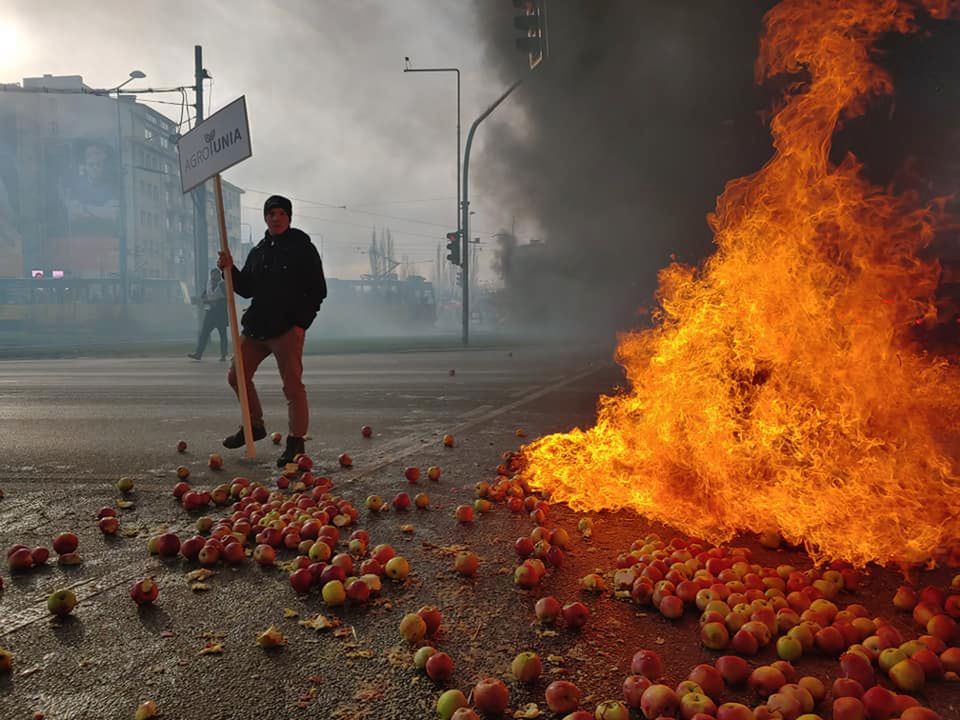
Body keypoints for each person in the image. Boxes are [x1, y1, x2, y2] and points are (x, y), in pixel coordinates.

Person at [216, 194, 327, 467]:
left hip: (287, 328)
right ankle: (254, 426)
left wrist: (301, 323)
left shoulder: (302, 248)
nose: (275, 218)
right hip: (256, 327)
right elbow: (247, 288)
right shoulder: (259, 250)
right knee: (236, 376)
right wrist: (229, 270)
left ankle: (296, 441)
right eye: (270, 214)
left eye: (280, 213)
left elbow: (318, 290)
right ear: (265, 218)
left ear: (289, 217)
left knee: (292, 386)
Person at [188, 268, 228, 361]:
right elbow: (204, 296)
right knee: (204, 334)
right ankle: (198, 354)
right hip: (210, 313)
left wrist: (214, 301)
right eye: (212, 275)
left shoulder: (223, 284)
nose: (213, 277)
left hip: (220, 314)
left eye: (215, 275)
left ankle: (223, 355)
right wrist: (199, 300)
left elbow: (227, 298)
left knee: (222, 335)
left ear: (219, 275)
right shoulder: (209, 284)